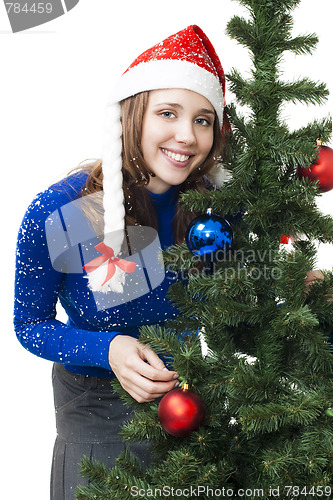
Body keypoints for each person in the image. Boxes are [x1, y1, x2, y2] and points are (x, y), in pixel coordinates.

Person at [14, 25, 230, 499]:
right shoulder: (64, 210)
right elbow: (30, 325)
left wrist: (305, 289)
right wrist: (108, 349)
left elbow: (240, 306)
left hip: (193, 411)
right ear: (133, 115)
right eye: (168, 113)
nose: (186, 135)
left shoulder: (215, 210)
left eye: (203, 119)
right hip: (95, 416)